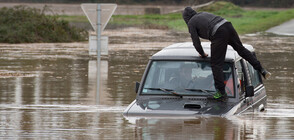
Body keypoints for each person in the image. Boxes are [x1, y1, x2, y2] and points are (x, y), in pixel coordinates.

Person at [182, 7, 271, 101]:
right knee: (241, 49)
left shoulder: (191, 22)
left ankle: (221, 93)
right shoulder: (202, 13)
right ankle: (262, 70)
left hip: (218, 33)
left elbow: (196, 43)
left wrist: (202, 54)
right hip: (228, 26)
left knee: (216, 64)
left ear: (186, 19)